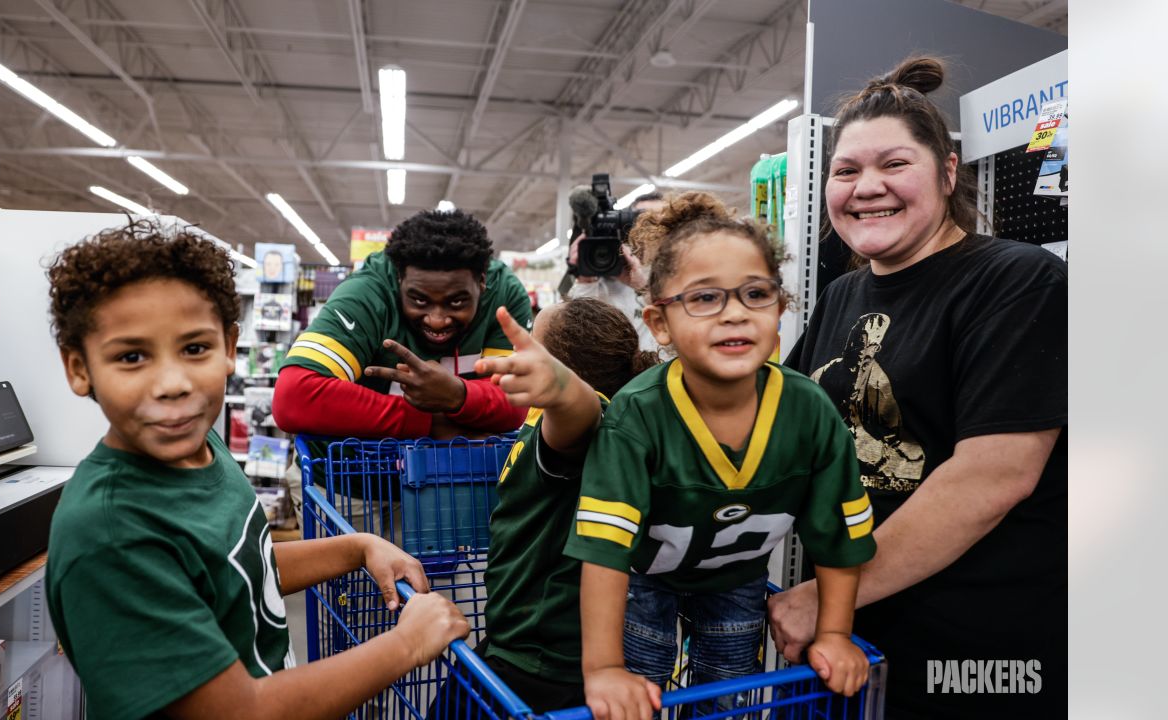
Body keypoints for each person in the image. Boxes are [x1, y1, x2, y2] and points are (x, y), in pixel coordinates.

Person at [43, 220, 470, 720]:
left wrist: (357, 547)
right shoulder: (111, 534)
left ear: (229, 347)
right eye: (132, 356)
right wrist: (407, 646)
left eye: (194, 348)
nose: (173, 383)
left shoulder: (203, 448)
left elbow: (239, 570)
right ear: (78, 367)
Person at [770, 56, 1067, 719]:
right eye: (847, 171)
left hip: (978, 657)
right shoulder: (844, 292)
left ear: (948, 172)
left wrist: (826, 598)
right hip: (860, 644)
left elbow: (993, 477)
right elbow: (776, 422)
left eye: (893, 165)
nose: (866, 186)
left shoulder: (1017, 281)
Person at [563, 193, 878, 720]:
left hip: (736, 579)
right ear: (659, 325)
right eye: (705, 298)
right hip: (645, 576)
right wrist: (602, 670)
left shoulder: (810, 412)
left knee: (727, 698)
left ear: (780, 310)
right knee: (639, 687)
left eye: (755, 293)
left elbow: (840, 537)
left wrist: (835, 634)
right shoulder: (635, 417)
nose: (734, 312)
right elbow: (604, 552)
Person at [436, 298, 658, 713]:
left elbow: (582, 410)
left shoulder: (580, 431)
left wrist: (563, 390)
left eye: (533, 343)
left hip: (539, 663)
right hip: (515, 638)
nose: (520, 353)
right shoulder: (539, 419)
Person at [272, 208, 531, 441]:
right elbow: (294, 397)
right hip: (351, 481)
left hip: (458, 479)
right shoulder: (366, 292)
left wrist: (457, 395)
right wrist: (427, 422)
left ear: (482, 283)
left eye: (456, 302)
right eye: (419, 300)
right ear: (399, 280)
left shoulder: (503, 297)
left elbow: (516, 401)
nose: (437, 320)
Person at [566, 192, 665, 354]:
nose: (651, 228)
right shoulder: (607, 267)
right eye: (641, 219)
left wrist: (643, 288)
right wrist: (585, 277)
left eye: (660, 220)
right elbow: (579, 333)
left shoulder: (678, 274)